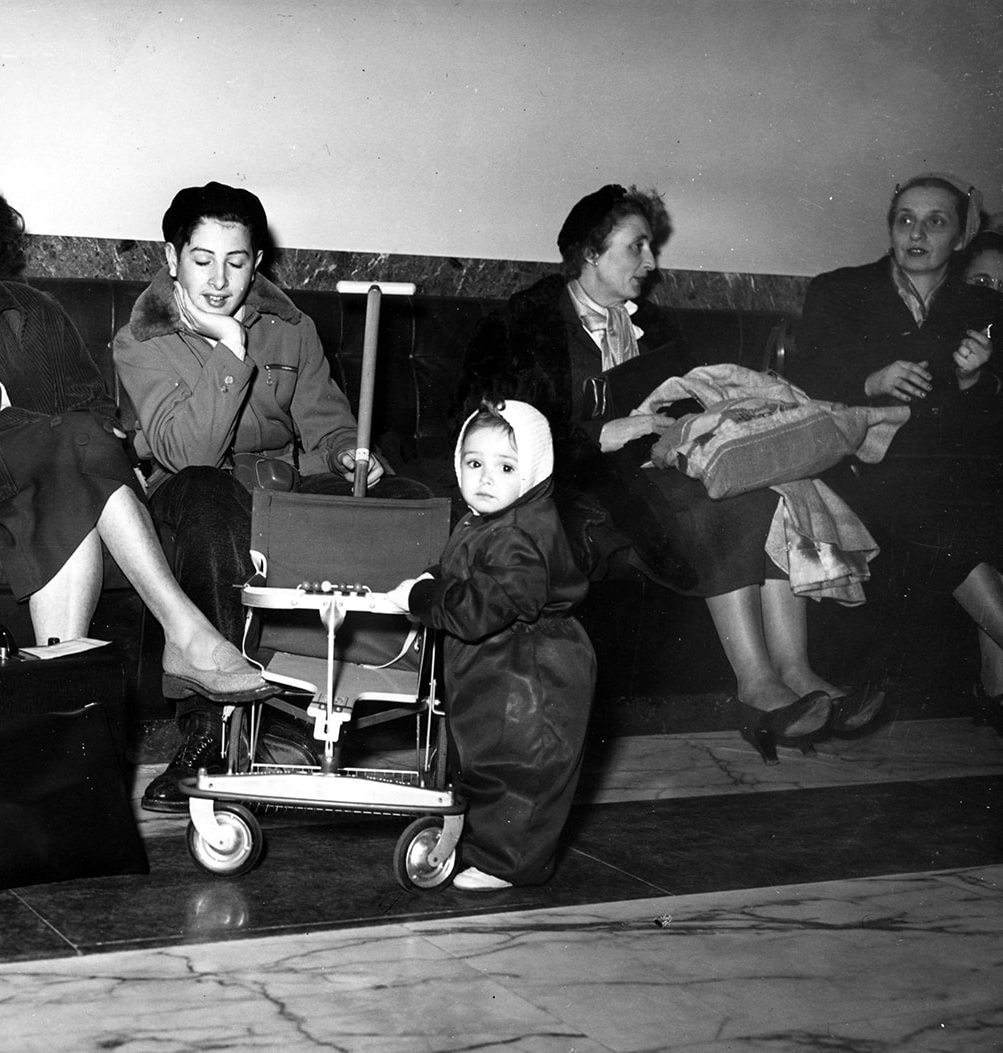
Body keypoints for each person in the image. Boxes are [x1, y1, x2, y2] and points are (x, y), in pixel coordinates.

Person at [458, 184, 882, 763]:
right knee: (715, 505)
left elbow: (695, 400)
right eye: (636, 248)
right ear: (590, 253)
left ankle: (797, 671)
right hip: (578, 483)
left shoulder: (652, 325)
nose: (651, 263)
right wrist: (599, 434)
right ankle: (755, 686)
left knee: (769, 491)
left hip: (659, 468)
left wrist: (674, 424)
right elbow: (491, 427)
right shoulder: (524, 322)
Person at [0, 158, 266, 704]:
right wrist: (65, 439)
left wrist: (71, 443)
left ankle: (60, 693)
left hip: (36, 483)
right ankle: (183, 630)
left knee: (66, 471)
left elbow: (95, 406)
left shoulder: (37, 311)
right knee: (71, 444)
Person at [113, 181, 431, 811]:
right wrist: (229, 348)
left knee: (406, 497)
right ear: (171, 258)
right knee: (207, 497)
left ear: (256, 261)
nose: (218, 280)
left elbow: (328, 423)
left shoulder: (290, 327)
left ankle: (377, 706)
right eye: (201, 260)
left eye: (236, 261)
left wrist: (347, 451)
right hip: (192, 486)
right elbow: (189, 454)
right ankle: (207, 735)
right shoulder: (141, 340)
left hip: (284, 486)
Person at [789, 173, 1003, 732]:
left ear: (960, 237)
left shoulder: (978, 298)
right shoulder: (840, 289)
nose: (917, 232)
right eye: (905, 218)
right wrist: (869, 379)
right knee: (947, 516)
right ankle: (995, 685)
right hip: (863, 465)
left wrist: (975, 378)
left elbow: (985, 416)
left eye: (937, 221)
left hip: (950, 467)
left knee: (971, 502)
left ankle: (996, 686)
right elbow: (800, 376)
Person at [386, 400, 595, 889]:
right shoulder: (485, 519)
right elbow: (463, 573)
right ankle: (485, 842)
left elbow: (476, 607)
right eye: (474, 463)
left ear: (536, 470)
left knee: (521, 762)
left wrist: (422, 595)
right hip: (498, 661)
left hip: (532, 668)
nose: (485, 478)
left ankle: (508, 862)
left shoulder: (520, 534)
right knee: (482, 752)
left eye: (505, 467)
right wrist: (433, 578)